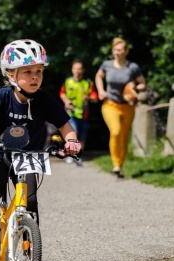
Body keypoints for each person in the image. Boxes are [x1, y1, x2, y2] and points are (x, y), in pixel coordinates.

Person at [0, 39, 81, 261]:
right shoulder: (2, 96)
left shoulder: (45, 100)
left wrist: (72, 141)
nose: (35, 76)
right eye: (28, 71)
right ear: (11, 74)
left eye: (39, 71)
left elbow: (65, 125)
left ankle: (30, 255)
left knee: (31, 201)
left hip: (28, 155)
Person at [95, 37, 146, 178]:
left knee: (124, 137)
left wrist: (135, 86)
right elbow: (98, 76)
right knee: (116, 131)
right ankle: (115, 163)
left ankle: (120, 167)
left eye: (120, 50)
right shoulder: (107, 65)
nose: (117, 52)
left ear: (126, 51)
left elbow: (143, 84)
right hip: (110, 104)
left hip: (127, 106)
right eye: (115, 49)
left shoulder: (133, 67)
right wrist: (100, 90)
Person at [60, 59, 98, 166]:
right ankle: (68, 154)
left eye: (80, 69)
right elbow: (62, 93)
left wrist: (89, 97)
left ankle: (77, 155)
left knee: (82, 137)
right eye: (76, 68)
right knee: (73, 133)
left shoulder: (88, 83)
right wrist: (66, 101)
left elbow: (95, 97)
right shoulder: (67, 81)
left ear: (83, 70)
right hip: (70, 113)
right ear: (72, 70)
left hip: (83, 114)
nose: (78, 71)